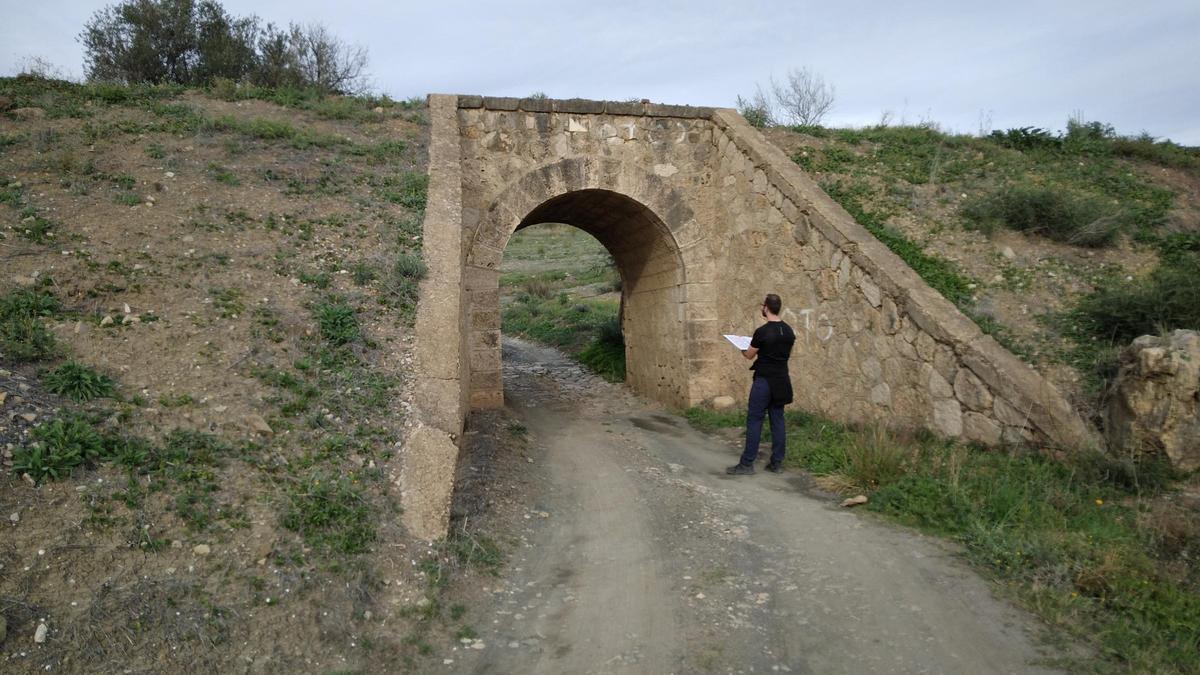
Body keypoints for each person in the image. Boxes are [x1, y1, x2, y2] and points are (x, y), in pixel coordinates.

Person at [727, 293, 795, 475]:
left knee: (755, 420)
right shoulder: (789, 331)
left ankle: (747, 464)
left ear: (765, 307)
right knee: (778, 420)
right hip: (782, 381)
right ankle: (776, 463)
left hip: (764, 381)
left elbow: (749, 355)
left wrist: (741, 346)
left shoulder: (762, 332)